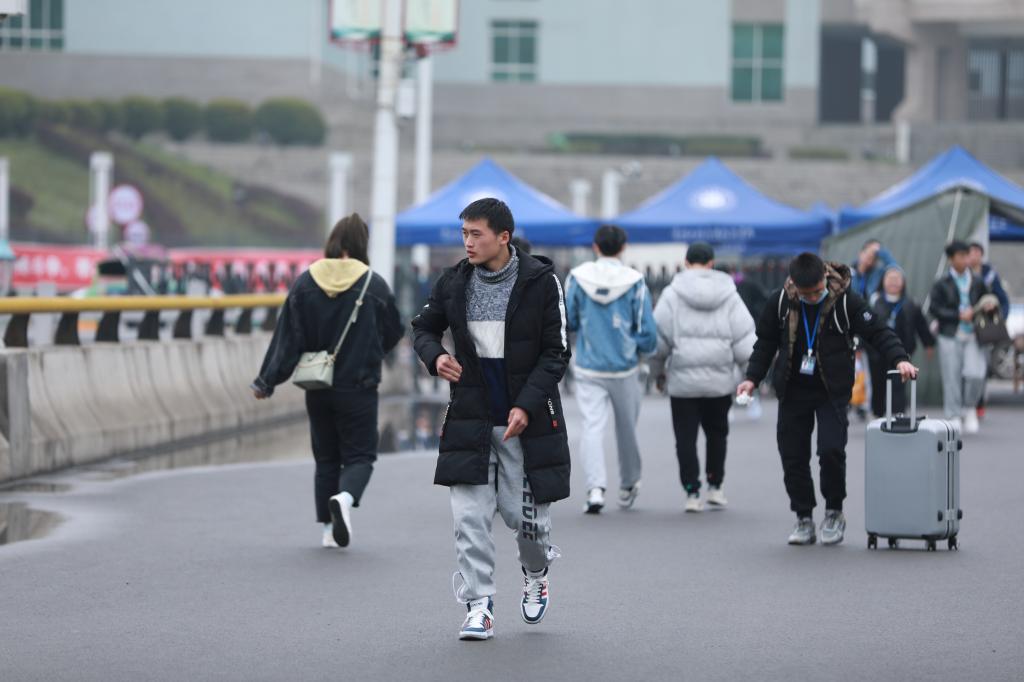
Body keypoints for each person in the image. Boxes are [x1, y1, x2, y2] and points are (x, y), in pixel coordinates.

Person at [411, 198, 570, 641]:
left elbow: (556, 353)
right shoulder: (453, 282)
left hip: (526, 424)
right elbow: (422, 328)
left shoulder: (541, 282)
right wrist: (435, 356)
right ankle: (478, 605)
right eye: (464, 234)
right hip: (470, 418)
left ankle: (536, 573)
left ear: (503, 237)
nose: (467, 242)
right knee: (469, 519)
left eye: (475, 234)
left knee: (528, 524)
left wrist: (526, 405)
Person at [738, 253, 916, 546]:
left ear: (824, 278)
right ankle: (803, 516)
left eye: (817, 291)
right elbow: (765, 343)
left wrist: (900, 359)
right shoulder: (780, 301)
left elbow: (879, 331)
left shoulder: (846, 301)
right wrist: (752, 378)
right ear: (794, 284)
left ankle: (834, 511)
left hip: (831, 389)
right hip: (792, 389)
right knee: (793, 455)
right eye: (806, 293)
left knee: (831, 450)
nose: (813, 297)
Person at [252, 214, 404, 549]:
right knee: (361, 456)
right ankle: (345, 499)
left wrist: (266, 381)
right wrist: (371, 353)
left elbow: (287, 337)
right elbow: (395, 330)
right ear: (362, 245)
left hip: (317, 385)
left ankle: (326, 530)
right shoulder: (373, 284)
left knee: (325, 459)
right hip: (359, 386)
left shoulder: (306, 282)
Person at [650, 243, 755, 512]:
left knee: (685, 439)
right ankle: (715, 486)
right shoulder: (729, 294)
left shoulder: (671, 294)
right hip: (719, 381)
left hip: (683, 383)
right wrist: (751, 375)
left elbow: (658, 341)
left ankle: (692, 492)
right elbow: (744, 338)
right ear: (711, 263)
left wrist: (657, 373)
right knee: (717, 435)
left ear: (686, 263)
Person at [565, 224, 657, 514]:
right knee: (627, 429)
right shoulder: (635, 282)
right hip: (625, 366)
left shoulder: (577, 277)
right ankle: (629, 484)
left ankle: (595, 488)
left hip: (589, 365)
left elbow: (569, 320)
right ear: (623, 247)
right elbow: (647, 331)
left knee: (592, 427)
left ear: (595, 247)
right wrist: (640, 350)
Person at [928, 240, 994, 434]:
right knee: (951, 376)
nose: (966, 259)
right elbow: (934, 308)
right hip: (949, 334)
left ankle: (970, 407)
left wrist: (986, 307)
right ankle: (953, 414)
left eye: (967, 255)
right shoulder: (941, 282)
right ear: (951, 259)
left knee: (976, 373)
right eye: (961, 256)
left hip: (974, 333)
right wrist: (957, 315)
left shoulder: (978, 280)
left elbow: (988, 299)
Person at [867, 265, 936, 418]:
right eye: (889, 278)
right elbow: (865, 326)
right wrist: (860, 346)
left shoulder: (911, 303)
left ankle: (898, 415)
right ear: (883, 281)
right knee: (878, 383)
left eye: (897, 278)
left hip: (903, 351)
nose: (893, 282)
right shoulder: (875, 301)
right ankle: (878, 414)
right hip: (877, 353)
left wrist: (929, 344)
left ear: (903, 282)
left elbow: (921, 326)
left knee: (899, 383)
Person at [967, 241, 1010, 421]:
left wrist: (998, 318)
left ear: (982, 255)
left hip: (983, 330)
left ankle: (978, 403)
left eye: (977, 252)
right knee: (963, 370)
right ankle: (964, 404)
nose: (973, 256)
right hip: (964, 328)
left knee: (981, 368)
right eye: (970, 252)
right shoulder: (960, 274)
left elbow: (1003, 301)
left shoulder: (990, 275)